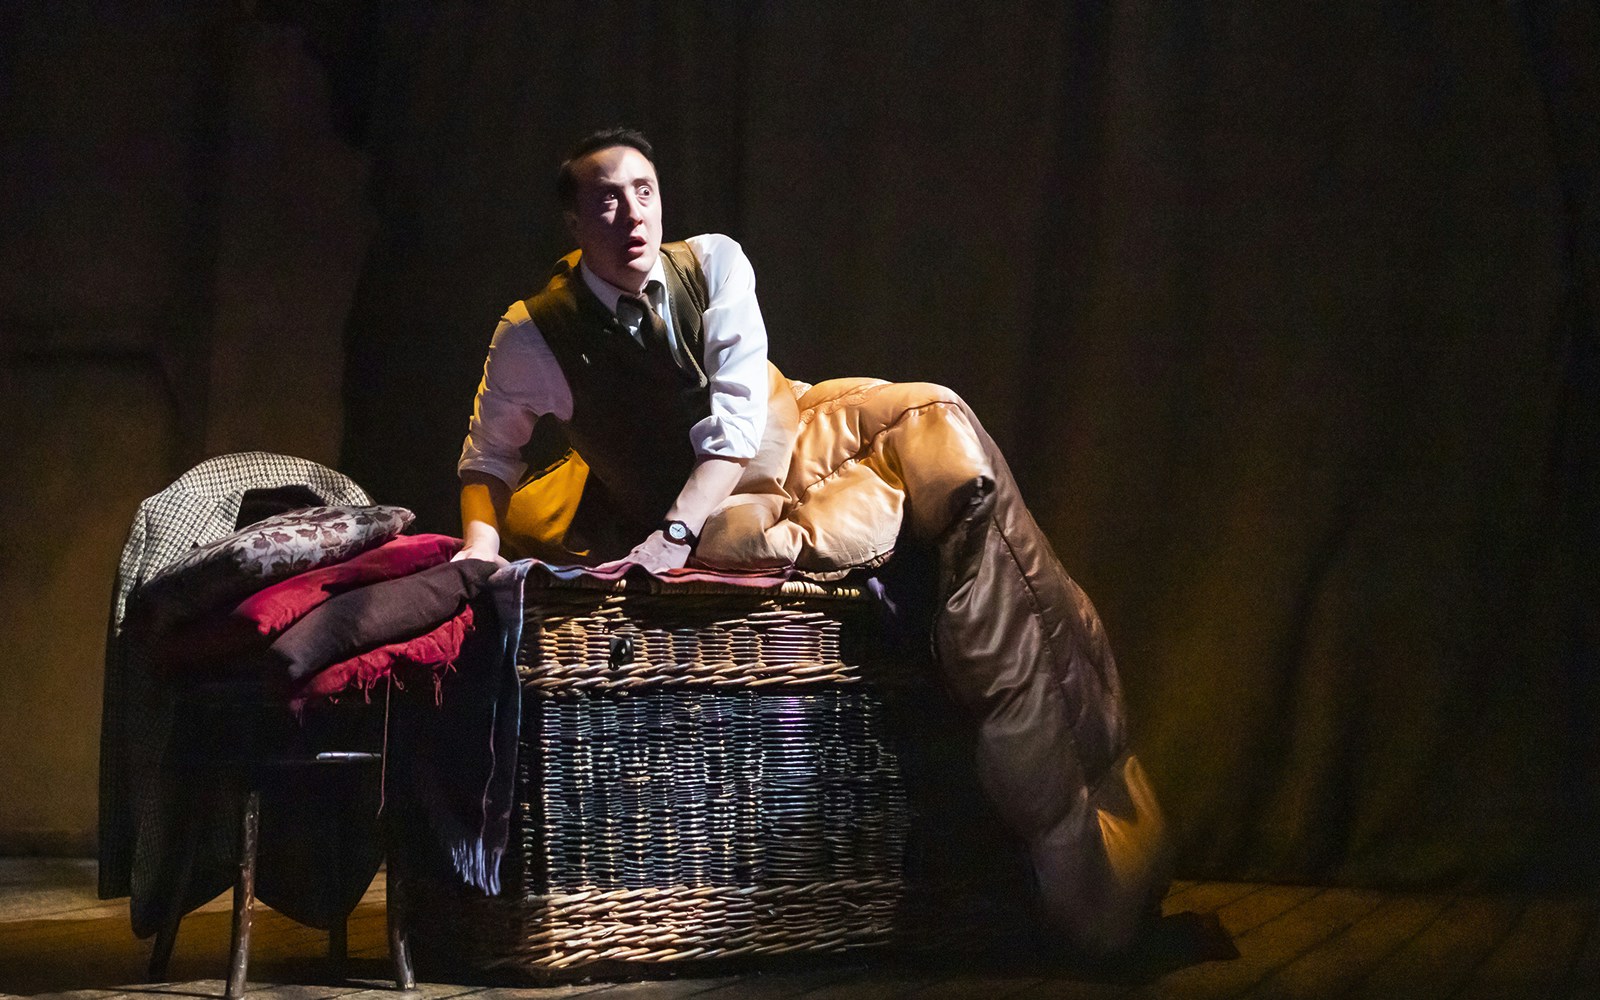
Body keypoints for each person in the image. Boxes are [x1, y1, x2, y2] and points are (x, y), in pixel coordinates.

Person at [455, 127, 770, 572]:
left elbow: (739, 424)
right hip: (636, 513)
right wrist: (480, 547)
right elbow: (488, 455)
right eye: (608, 199)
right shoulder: (532, 331)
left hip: (770, 460)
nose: (633, 215)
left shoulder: (715, 265)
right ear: (574, 224)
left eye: (645, 192)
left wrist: (674, 535)